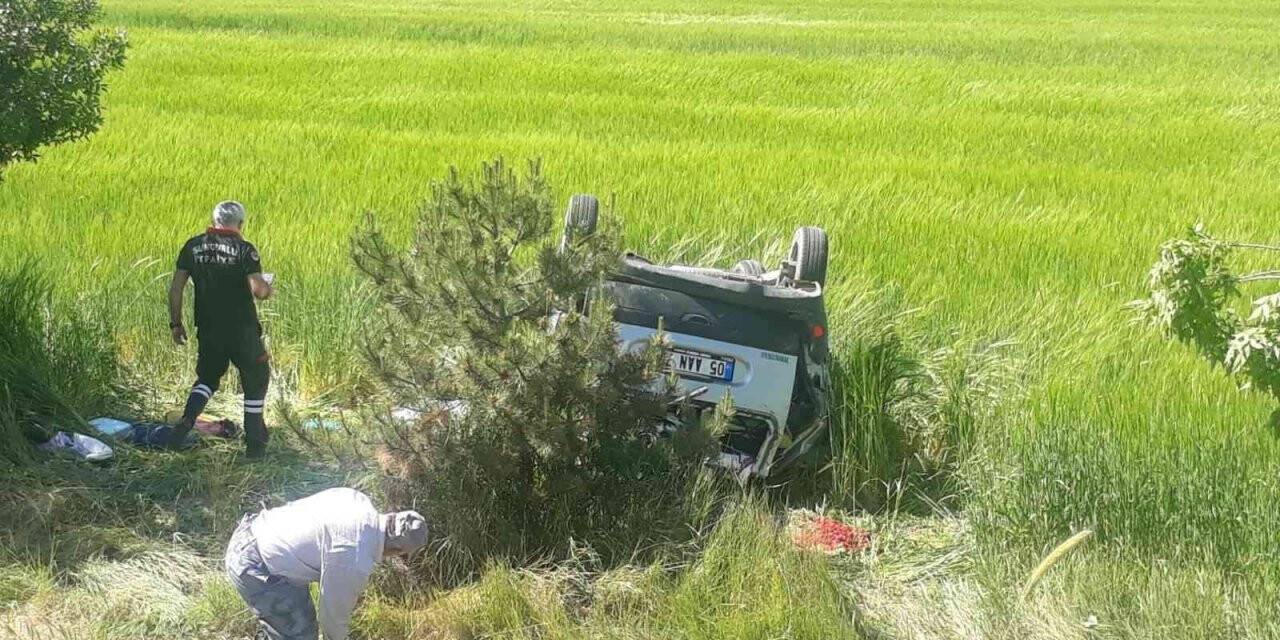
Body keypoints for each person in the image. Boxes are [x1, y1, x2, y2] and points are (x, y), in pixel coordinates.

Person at [224, 488, 428, 640]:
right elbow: (331, 621)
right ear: (398, 550)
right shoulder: (354, 559)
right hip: (257, 568)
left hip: (253, 530)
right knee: (300, 635)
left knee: (296, 622)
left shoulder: (356, 498)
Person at [167, 200, 274, 457]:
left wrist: (176, 323)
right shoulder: (244, 250)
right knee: (256, 377)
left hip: (209, 329)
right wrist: (268, 287)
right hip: (242, 330)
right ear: (240, 224)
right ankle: (255, 443)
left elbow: (176, 289)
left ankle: (187, 420)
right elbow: (259, 292)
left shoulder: (193, 247)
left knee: (207, 378)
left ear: (214, 221)